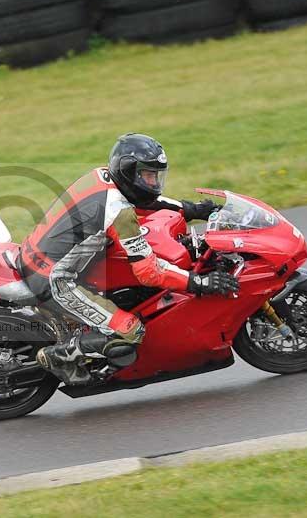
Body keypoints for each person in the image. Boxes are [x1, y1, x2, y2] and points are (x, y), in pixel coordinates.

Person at [21, 133, 240, 385]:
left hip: (39, 253)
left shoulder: (102, 176)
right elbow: (150, 272)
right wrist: (199, 283)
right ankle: (60, 355)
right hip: (54, 279)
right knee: (130, 331)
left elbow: (149, 201)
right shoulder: (120, 213)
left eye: (156, 175)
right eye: (148, 176)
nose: (154, 183)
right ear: (128, 172)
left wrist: (191, 209)